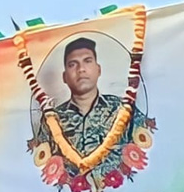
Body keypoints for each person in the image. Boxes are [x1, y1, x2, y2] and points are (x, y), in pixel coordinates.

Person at [31, 37, 146, 179]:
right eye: (73, 64)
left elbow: (146, 147)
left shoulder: (121, 108)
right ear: (65, 77)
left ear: (98, 70)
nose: (81, 69)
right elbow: (40, 164)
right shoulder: (51, 120)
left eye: (87, 61)